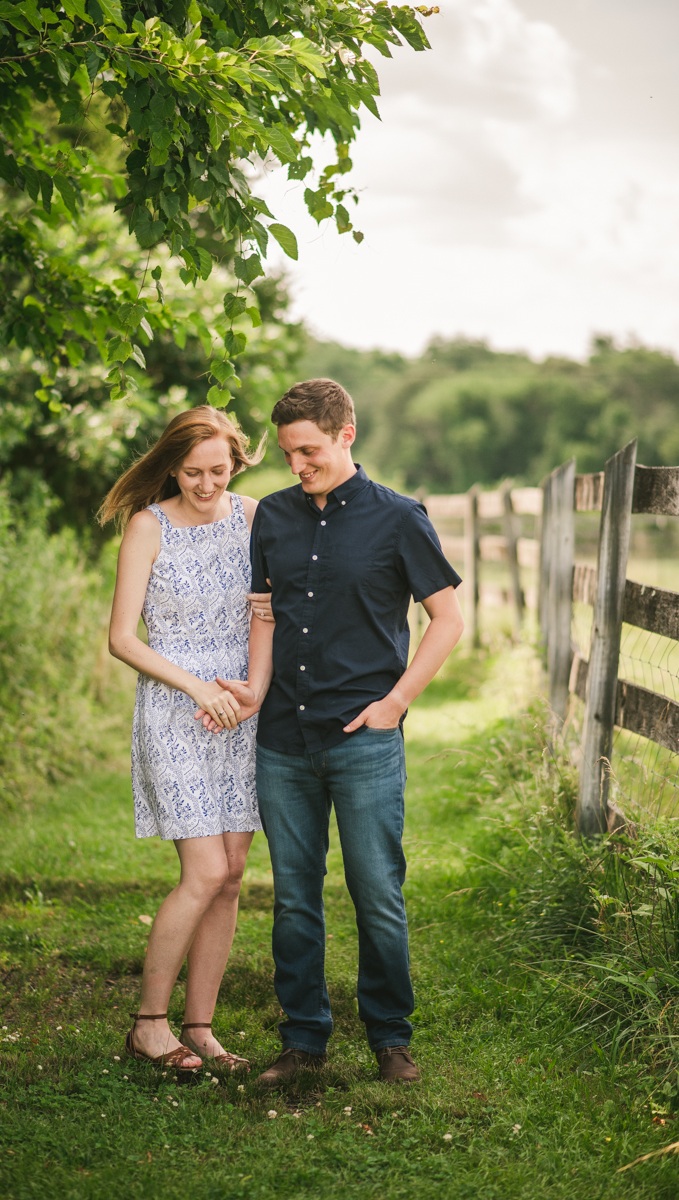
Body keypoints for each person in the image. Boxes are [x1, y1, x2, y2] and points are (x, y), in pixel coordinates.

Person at [209, 379, 465, 1085]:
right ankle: (303, 1043)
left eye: (309, 450)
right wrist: (256, 691)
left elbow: (448, 620)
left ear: (346, 435)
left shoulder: (400, 519)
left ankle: (391, 1039)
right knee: (294, 896)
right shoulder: (275, 519)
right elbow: (264, 613)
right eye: (289, 453)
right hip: (282, 742)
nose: (297, 465)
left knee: (375, 889)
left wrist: (397, 702)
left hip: (363, 740)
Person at [99, 406, 273, 1072]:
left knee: (230, 877)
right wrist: (198, 689)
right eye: (194, 472)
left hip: (243, 707)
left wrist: (247, 689)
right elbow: (121, 639)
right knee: (201, 871)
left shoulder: (254, 518)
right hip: (177, 710)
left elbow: (268, 612)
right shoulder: (149, 526)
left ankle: (200, 1027)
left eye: (219, 470)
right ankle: (149, 1024)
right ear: (172, 466)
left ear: (237, 462)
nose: (206, 485)